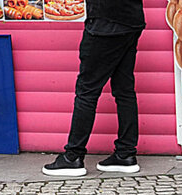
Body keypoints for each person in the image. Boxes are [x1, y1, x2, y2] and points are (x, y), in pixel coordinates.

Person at [43, 0, 145, 178]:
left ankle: (73, 157)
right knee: (124, 90)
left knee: (86, 92)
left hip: (104, 24)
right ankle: (125, 153)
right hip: (131, 20)